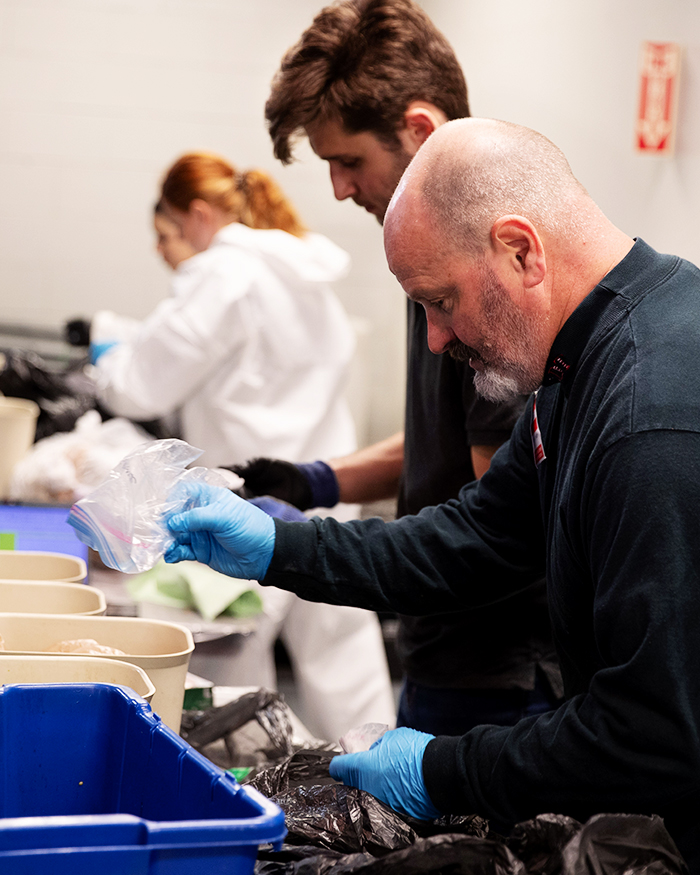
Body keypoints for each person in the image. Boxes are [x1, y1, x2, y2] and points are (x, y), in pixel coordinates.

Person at [161, 118, 700, 868]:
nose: (437, 339)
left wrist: (442, 770)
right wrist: (282, 545)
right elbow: (475, 535)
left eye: (439, 301)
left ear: (521, 250)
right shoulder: (577, 369)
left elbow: (655, 735)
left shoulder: (652, 418)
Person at [233, 0, 561, 735]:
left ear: (420, 131)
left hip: (495, 674)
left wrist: (293, 550)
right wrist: (315, 480)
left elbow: (490, 529)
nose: (341, 190)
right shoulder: (430, 259)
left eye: (349, 161)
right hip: (443, 652)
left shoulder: (485, 278)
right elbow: (445, 444)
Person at [91, 151, 395, 740]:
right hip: (325, 492)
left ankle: (246, 797)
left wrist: (110, 360)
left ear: (199, 214)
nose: (163, 251)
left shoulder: (222, 274)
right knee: (345, 663)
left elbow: (140, 386)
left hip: (248, 502)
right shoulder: (299, 272)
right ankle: (379, 793)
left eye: (165, 234)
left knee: (225, 666)